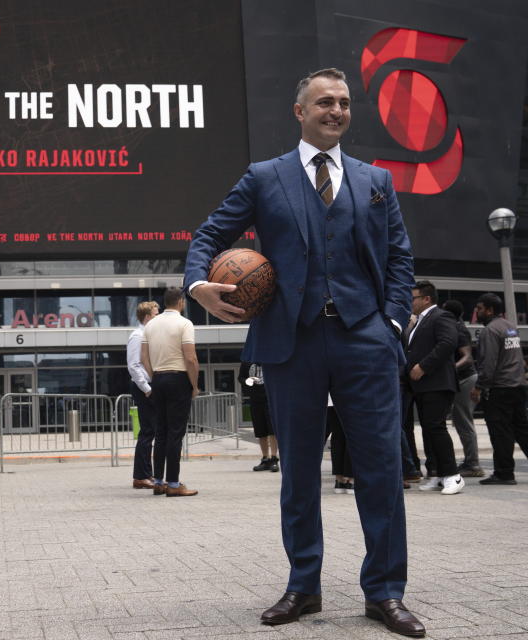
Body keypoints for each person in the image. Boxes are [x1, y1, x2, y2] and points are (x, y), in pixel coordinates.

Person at [184, 68, 423, 635]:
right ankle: (303, 587)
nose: (336, 111)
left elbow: (400, 259)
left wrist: (390, 323)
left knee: (381, 469)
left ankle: (385, 592)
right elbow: (208, 237)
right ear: (300, 111)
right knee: (297, 473)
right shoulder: (265, 177)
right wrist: (198, 285)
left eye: (343, 103)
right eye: (324, 102)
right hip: (291, 344)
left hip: (364, 339)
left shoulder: (376, 180)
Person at [472, 293, 528, 485]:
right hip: (518, 386)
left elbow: (488, 363)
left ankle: (504, 473)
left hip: (499, 388)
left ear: (490, 310)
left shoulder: (490, 331)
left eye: (480, 309)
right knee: (524, 430)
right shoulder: (510, 327)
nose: (477, 313)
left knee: (500, 432)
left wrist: (479, 387)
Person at [402, 281, 463, 495]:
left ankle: (452, 475)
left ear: (426, 299)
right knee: (428, 430)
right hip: (422, 386)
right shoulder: (419, 321)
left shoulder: (441, 316)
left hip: (437, 383)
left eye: (413, 298)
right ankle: (436, 473)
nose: (410, 303)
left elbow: (447, 343)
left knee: (436, 428)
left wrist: (422, 366)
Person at [140, 287, 199, 497]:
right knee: (176, 433)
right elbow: (190, 358)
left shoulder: (151, 325)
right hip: (178, 377)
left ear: (165, 302)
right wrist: (194, 384)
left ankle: (158, 481)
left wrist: (154, 375)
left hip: (158, 378)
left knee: (161, 433)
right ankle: (173, 484)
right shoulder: (185, 323)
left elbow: (143, 358)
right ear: (181, 302)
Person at [440, 300, 483, 477]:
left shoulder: (458, 328)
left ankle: (473, 464)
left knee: (464, 422)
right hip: (461, 379)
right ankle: (470, 461)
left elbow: (467, 357)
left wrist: (450, 369)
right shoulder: (454, 327)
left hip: (465, 379)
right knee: (460, 421)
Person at [127, 300, 160, 489]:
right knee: (147, 432)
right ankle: (141, 476)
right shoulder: (137, 336)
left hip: (148, 387)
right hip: (143, 388)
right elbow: (133, 366)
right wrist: (147, 389)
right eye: (156, 314)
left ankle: (147, 473)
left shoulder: (146, 335)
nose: (158, 317)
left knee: (151, 431)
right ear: (147, 317)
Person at [238, 361, 279, 472]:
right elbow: (240, 378)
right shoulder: (247, 361)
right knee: (260, 431)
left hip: (270, 399)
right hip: (255, 400)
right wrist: (248, 380)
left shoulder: (269, 358)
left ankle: (274, 459)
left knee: (272, 430)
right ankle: (265, 459)